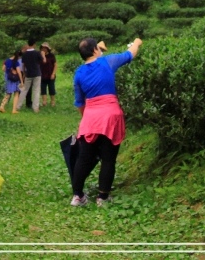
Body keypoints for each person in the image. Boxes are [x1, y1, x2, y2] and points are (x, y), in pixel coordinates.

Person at [70, 36, 143, 207]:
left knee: (83, 158)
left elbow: (79, 102)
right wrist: (137, 42)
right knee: (108, 158)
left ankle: (78, 196)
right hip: (110, 115)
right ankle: (102, 198)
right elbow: (130, 54)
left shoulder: (79, 73)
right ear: (96, 50)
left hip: (90, 117)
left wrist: (87, 118)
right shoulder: (108, 62)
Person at [15, 37, 43, 113]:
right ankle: (35, 108)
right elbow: (42, 60)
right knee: (36, 90)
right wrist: (42, 54)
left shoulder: (25, 54)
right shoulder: (37, 53)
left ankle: (18, 106)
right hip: (37, 73)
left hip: (28, 74)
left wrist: (24, 72)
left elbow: (23, 65)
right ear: (34, 44)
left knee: (24, 90)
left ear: (28, 44)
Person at [39, 43, 57, 108]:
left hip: (50, 74)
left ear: (48, 49)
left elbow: (55, 65)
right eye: (42, 48)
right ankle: (44, 101)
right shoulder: (39, 55)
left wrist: (53, 73)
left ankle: (52, 101)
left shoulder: (51, 55)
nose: (44, 49)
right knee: (43, 89)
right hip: (42, 75)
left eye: (45, 48)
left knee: (51, 88)